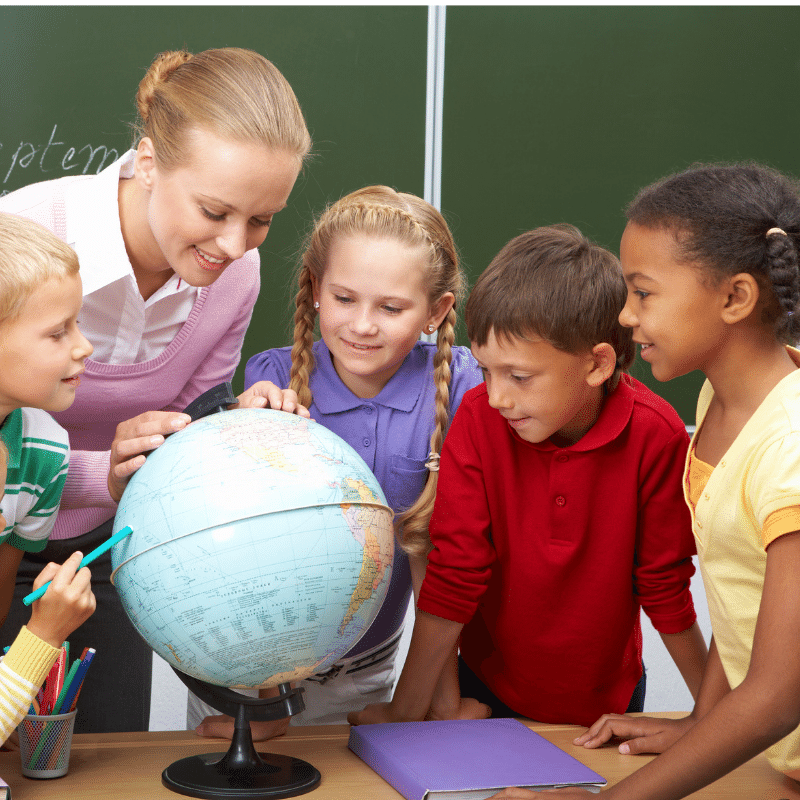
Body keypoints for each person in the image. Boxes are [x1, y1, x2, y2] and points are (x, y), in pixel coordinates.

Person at [0, 47, 311, 733]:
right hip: (4, 534)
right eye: (215, 210)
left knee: (95, 764)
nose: (236, 244)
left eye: (261, 219)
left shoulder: (234, 276)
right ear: (147, 163)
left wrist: (233, 427)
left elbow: (188, 421)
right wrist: (99, 471)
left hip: (108, 556)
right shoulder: (23, 234)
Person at [489, 164, 800, 800]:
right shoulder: (724, 399)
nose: (625, 317)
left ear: (735, 298)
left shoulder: (790, 449)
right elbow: (743, 601)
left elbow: (777, 694)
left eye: (644, 293)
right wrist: (701, 722)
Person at [349, 224, 708, 731]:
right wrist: (406, 711)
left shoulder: (657, 435)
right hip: (486, 693)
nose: (497, 396)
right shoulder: (477, 417)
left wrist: (712, 715)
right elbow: (455, 571)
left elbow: (664, 583)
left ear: (597, 364)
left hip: (609, 704)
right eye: (487, 370)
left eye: (518, 376)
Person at [190, 185, 484, 739]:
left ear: (436, 311)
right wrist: (238, 428)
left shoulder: (464, 387)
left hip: (368, 671)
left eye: (391, 307)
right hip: (250, 673)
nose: (363, 325)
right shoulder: (273, 379)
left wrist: (435, 699)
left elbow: (440, 558)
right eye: (345, 299)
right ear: (316, 291)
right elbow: (256, 554)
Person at [0, 212, 96, 745]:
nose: (83, 346)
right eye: (58, 332)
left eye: (77, 323)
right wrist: (45, 633)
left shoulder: (41, 450)